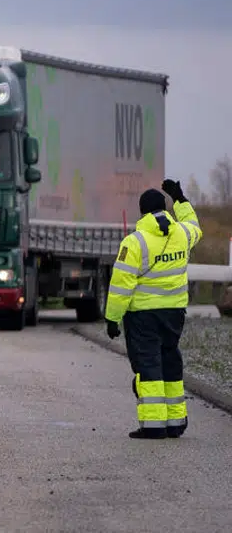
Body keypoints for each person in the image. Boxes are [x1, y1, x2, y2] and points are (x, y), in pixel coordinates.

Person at [105, 178, 202, 439]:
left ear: (142, 212)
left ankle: (153, 425)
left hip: (143, 316)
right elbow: (195, 226)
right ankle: (176, 422)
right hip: (175, 314)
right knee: (170, 362)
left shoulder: (134, 242)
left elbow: (121, 285)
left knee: (148, 365)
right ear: (164, 208)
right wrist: (180, 198)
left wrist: (112, 319)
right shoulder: (182, 234)